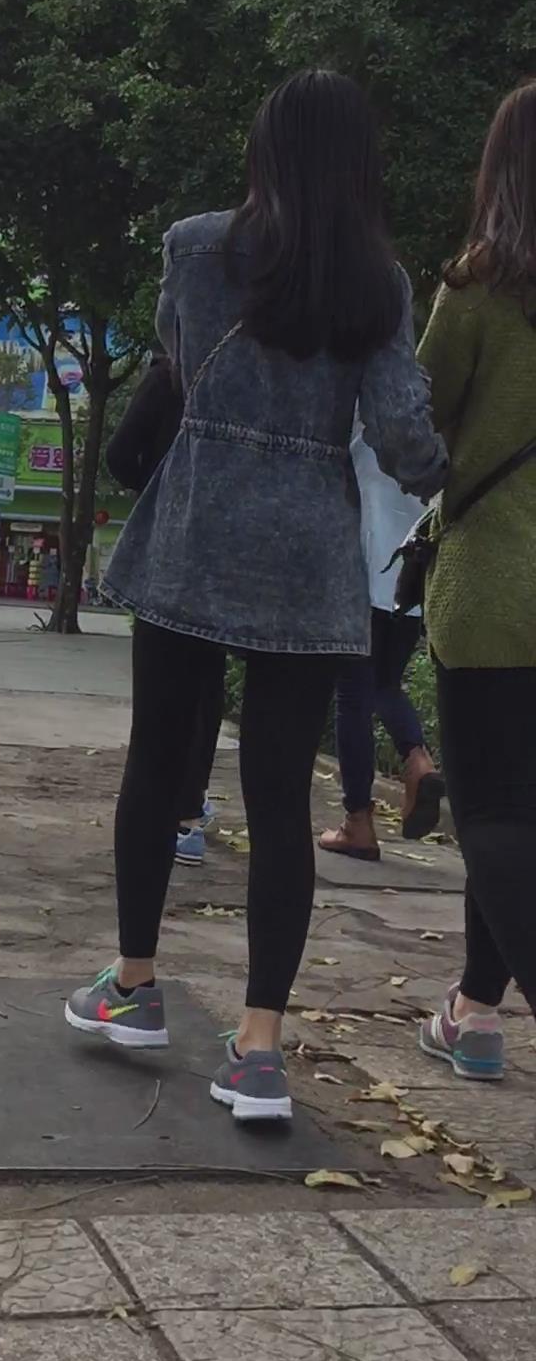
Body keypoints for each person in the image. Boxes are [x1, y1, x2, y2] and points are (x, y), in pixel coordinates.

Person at [65, 70, 447, 1124]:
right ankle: (260, 1050)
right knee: (280, 799)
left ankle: (134, 986)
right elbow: (403, 434)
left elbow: (179, 361)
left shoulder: (195, 248)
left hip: (198, 525)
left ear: (264, 150)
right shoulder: (380, 285)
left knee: (157, 760)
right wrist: (445, 472)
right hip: (307, 551)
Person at [415, 81, 536, 1082]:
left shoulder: (479, 285)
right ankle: (473, 1012)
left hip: (496, 585)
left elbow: (419, 416)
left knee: (492, 817)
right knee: (519, 819)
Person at [106, 351, 223, 866]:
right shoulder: (239, 368)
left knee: (159, 691)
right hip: (221, 546)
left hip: (167, 544)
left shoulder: (167, 377)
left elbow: (118, 454)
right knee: (208, 684)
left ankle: (156, 817)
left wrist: (155, 487)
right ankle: (189, 815)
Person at [319, 422, 444, 861]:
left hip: (364, 574)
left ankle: (357, 821)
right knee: (386, 684)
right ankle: (418, 758)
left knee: (353, 695)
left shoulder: (362, 420)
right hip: (410, 580)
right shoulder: (430, 420)